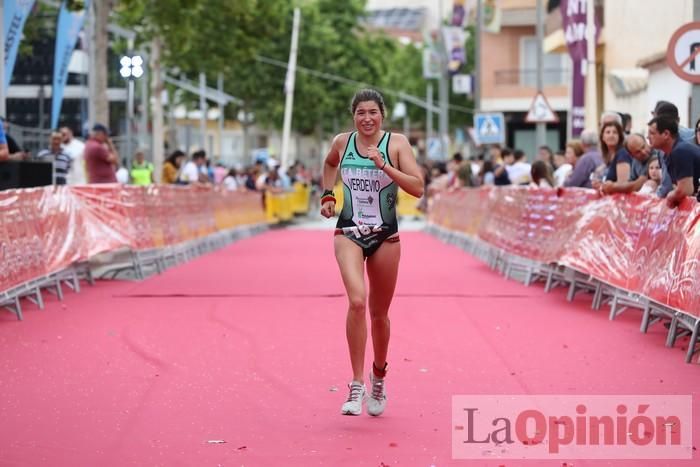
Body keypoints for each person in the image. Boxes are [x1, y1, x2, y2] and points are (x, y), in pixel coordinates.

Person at [320, 89, 424, 417]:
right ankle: (355, 383)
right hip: (348, 231)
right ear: (353, 115)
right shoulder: (342, 142)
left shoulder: (397, 143)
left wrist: (385, 166)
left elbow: (418, 188)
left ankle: (378, 375)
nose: (366, 118)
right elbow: (329, 164)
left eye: (373, 112)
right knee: (356, 301)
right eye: (360, 112)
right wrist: (327, 194)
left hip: (386, 237)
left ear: (382, 115)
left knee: (379, 314)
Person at [647, 116, 700, 207]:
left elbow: (686, 189)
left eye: (652, 133)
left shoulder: (680, 150)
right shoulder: (669, 154)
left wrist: (671, 196)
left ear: (666, 134)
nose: (648, 137)